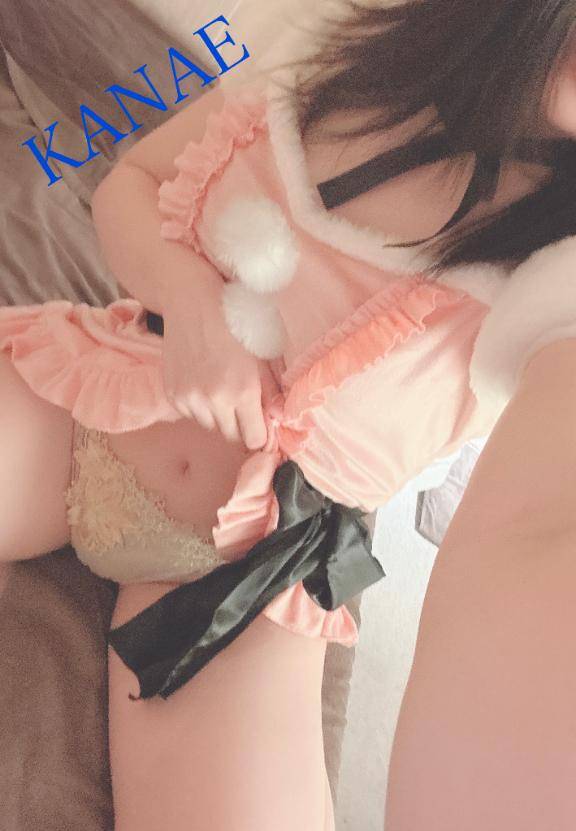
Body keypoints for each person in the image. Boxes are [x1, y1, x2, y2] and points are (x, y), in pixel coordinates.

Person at [2, 1, 576, 828]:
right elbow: (130, 181)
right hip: (95, 398)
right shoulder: (337, 40)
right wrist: (189, 301)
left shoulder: (559, 274)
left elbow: (540, 535)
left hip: (252, 581)